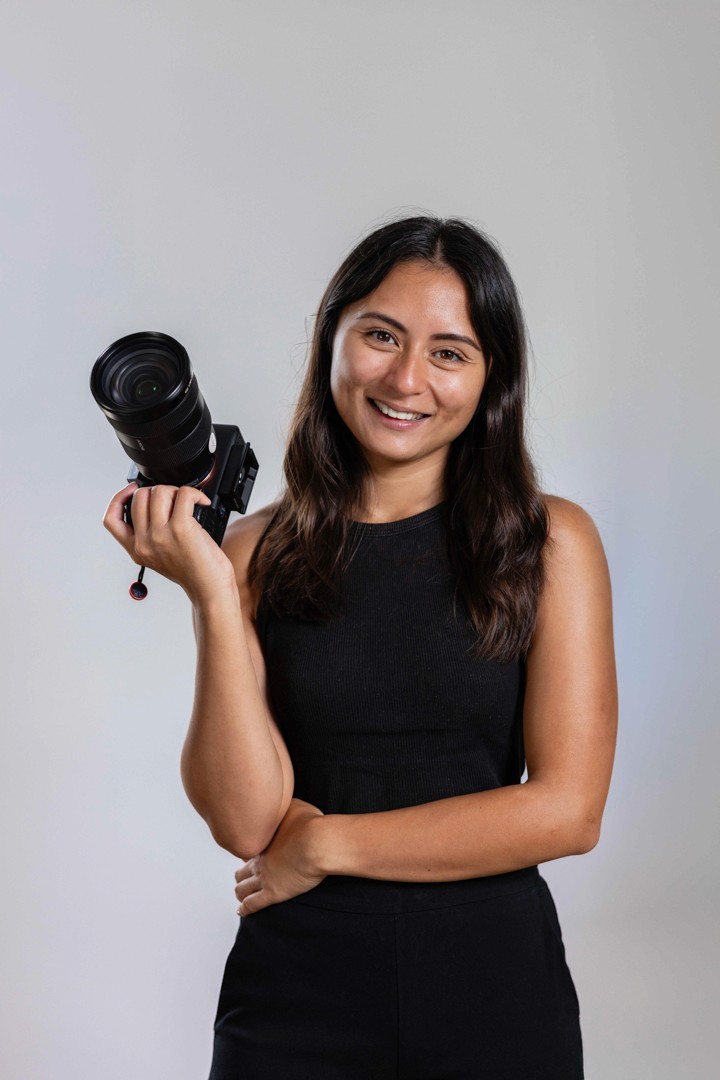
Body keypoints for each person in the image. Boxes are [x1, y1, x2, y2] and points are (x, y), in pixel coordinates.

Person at [103, 215, 618, 1079]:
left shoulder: (551, 542)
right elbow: (243, 820)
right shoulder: (255, 553)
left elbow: (568, 810)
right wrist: (216, 598)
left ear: (492, 377)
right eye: (381, 335)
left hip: (494, 991)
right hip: (294, 996)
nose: (407, 378)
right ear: (333, 338)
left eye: (450, 352)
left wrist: (327, 845)